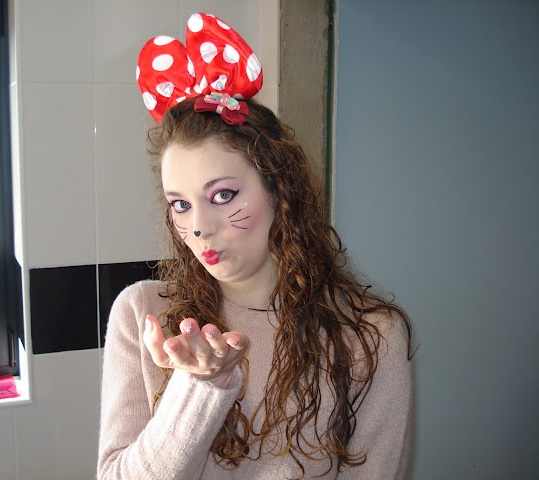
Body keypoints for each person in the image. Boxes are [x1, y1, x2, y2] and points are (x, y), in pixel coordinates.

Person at [98, 13, 413, 480]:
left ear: (279, 192)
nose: (199, 228)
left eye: (223, 195)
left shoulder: (369, 337)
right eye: (180, 204)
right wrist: (199, 387)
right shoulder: (143, 315)